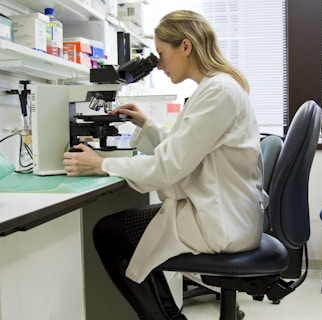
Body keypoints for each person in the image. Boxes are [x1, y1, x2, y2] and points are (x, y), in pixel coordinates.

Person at [63, 10, 266, 320]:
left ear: (186, 46)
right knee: (130, 235)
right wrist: (148, 124)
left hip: (219, 219)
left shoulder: (218, 91)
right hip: (220, 209)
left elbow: (168, 167)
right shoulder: (216, 87)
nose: (158, 63)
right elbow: (188, 147)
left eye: (162, 53)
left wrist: (101, 164)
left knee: (108, 233)